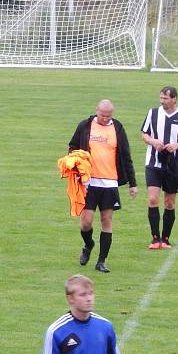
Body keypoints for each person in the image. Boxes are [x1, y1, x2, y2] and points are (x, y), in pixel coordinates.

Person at [67, 99, 137, 274]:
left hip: (110, 183)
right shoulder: (85, 125)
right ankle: (88, 245)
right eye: (102, 115)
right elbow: (72, 147)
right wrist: (75, 162)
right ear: (96, 111)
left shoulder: (118, 128)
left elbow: (126, 155)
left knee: (106, 220)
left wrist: (132, 183)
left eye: (109, 116)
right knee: (86, 222)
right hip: (89, 183)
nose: (106, 119)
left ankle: (101, 261)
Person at [141, 86, 178, 249]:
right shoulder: (153, 113)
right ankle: (154, 238)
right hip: (153, 163)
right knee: (152, 199)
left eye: (165, 98)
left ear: (174, 99)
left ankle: (165, 239)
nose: (162, 101)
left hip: (174, 166)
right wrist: (153, 142)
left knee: (170, 203)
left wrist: (176, 145)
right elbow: (144, 134)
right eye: (161, 98)